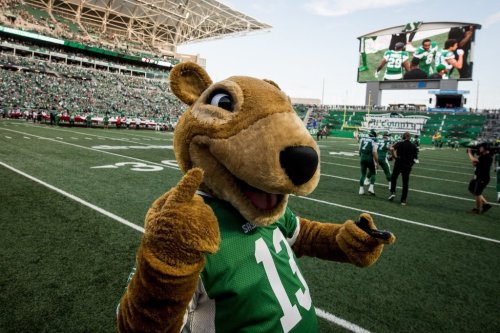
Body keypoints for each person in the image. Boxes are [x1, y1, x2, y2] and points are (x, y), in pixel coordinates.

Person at [388, 132, 418, 205]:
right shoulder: (413, 146)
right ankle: (403, 200)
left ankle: (393, 192)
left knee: (393, 178)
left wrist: (393, 156)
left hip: (398, 163)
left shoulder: (400, 143)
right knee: (405, 183)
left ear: (403, 137)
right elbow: (416, 159)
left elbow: (391, 148)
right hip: (407, 166)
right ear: (409, 137)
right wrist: (410, 165)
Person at [467, 143, 493, 214]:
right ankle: (486, 204)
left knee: (477, 193)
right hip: (478, 177)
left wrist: (469, 153)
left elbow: (474, 160)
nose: (479, 149)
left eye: (481, 147)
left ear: (485, 148)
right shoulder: (483, 156)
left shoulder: (487, 157)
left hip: (482, 178)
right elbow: (475, 164)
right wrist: (474, 157)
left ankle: (477, 209)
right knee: (471, 189)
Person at [358, 129, 379, 195]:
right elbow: (374, 153)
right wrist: (377, 162)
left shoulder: (363, 139)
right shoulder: (374, 140)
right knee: (373, 173)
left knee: (363, 174)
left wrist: (362, 156)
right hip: (370, 159)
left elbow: (360, 151)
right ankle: (371, 188)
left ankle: (361, 190)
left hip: (363, 158)